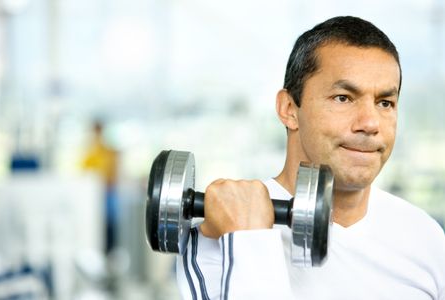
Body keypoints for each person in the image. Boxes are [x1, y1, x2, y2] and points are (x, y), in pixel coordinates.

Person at [175, 16, 445, 299]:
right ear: (289, 109)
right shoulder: (221, 237)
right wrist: (250, 238)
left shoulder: (425, 236)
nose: (370, 123)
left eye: (385, 103)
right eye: (343, 98)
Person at [82, 121, 119, 253]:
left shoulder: (109, 152)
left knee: (109, 225)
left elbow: (114, 175)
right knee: (97, 226)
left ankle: (110, 251)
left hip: (108, 195)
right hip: (95, 197)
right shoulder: (89, 154)